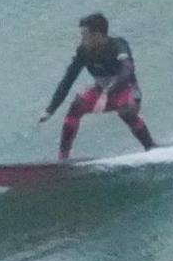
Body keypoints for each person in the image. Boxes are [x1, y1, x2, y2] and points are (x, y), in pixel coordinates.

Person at [39, 12, 157, 159]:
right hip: (101, 92)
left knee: (126, 112)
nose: (82, 39)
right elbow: (68, 79)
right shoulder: (84, 51)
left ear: (98, 35)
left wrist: (108, 92)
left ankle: (151, 148)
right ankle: (62, 159)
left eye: (85, 35)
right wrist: (50, 109)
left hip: (127, 90)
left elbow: (127, 71)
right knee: (76, 106)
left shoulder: (118, 45)